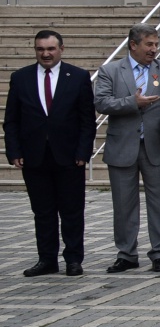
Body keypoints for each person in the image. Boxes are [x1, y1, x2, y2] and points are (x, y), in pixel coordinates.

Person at [6, 29, 95, 277]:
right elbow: (11, 120)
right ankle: (47, 260)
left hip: (69, 157)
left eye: (50, 49)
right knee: (43, 212)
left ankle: (73, 260)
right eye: (40, 49)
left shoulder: (78, 76)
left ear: (61, 49)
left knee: (72, 211)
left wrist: (83, 152)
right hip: (34, 156)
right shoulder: (20, 77)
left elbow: (87, 120)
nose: (45, 54)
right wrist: (14, 150)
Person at [93, 24, 160, 272]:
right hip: (122, 147)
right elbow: (101, 102)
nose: (154, 49)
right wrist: (132, 102)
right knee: (123, 204)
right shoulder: (110, 70)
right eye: (149, 44)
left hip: (156, 147)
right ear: (133, 45)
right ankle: (127, 254)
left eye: (156, 44)